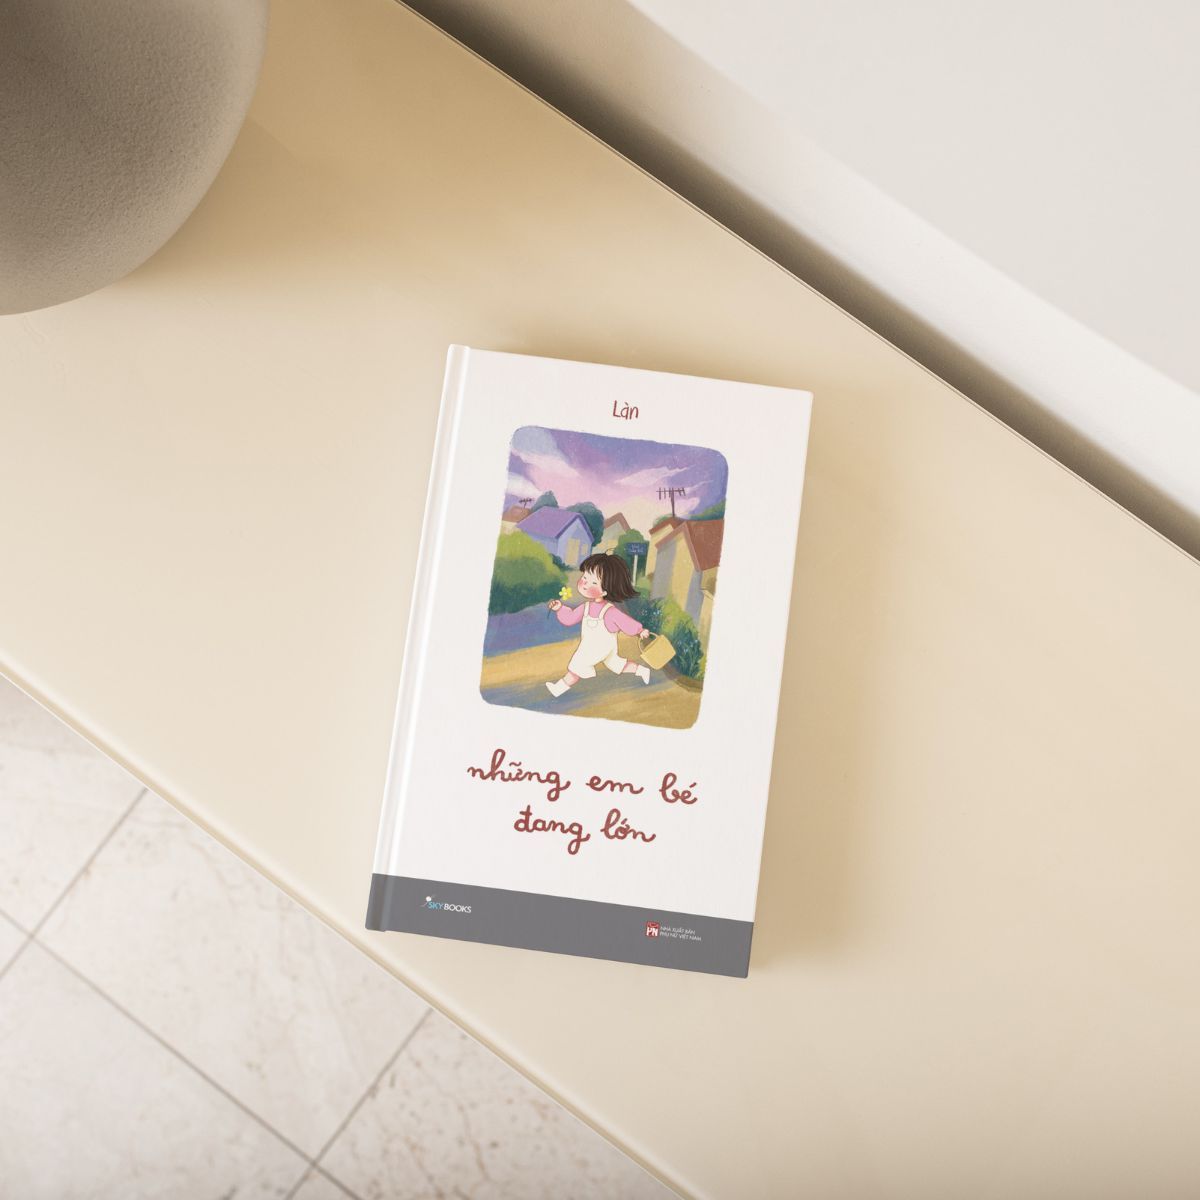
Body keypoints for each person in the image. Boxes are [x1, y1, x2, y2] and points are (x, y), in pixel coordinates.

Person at [545, 552, 652, 698]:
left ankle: (558, 688)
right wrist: (560, 609)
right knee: (615, 663)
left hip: (598, 647)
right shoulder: (586, 607)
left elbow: (625, 622)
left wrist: (639, 630)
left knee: (578, 663)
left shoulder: (609, 611)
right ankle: (641, 670)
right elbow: (570, 618)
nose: (585, 584)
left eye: (593, 583)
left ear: (605, 591)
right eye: (585, 578)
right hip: (604, 647)